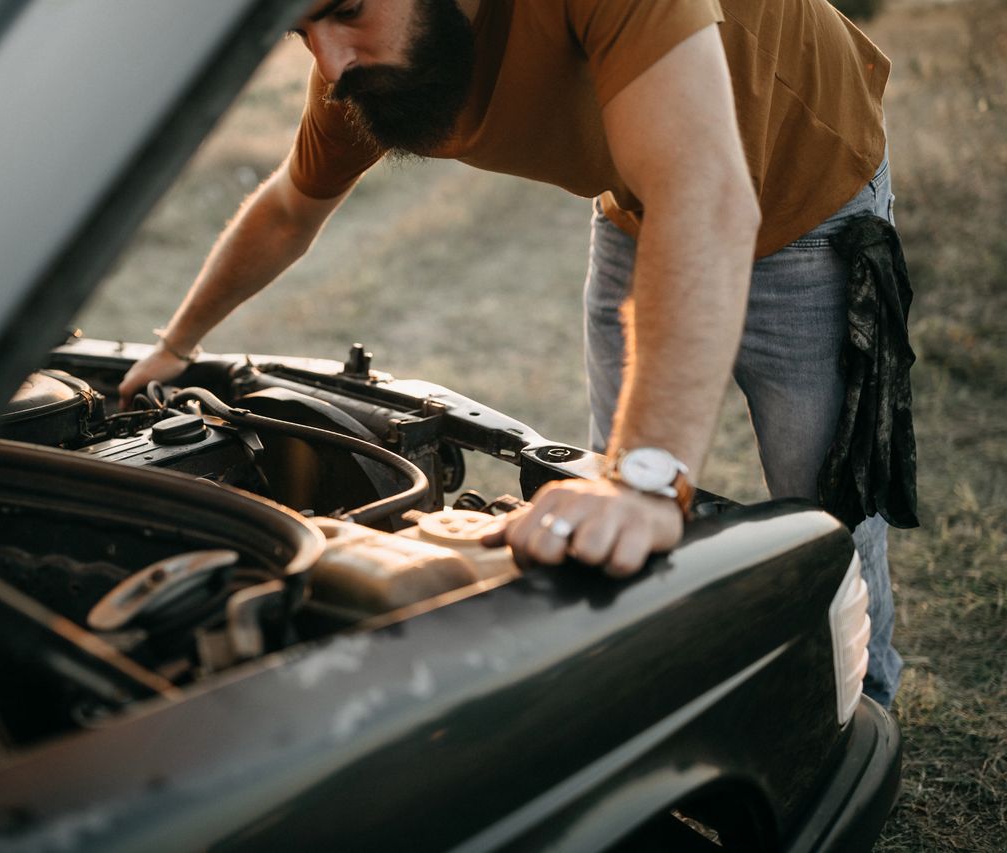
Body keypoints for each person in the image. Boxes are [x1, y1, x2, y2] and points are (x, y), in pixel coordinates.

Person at [118, 0, 903, 706]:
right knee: (611, 498)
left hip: (811, 200)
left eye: (348, 11)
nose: (329, 64)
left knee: (824, 503)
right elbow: (290, 209)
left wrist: (647, 476)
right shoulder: (357, 67)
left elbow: (705, 193)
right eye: (301, 32)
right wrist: (176, 344)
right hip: (640, 207)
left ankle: (863, 702)